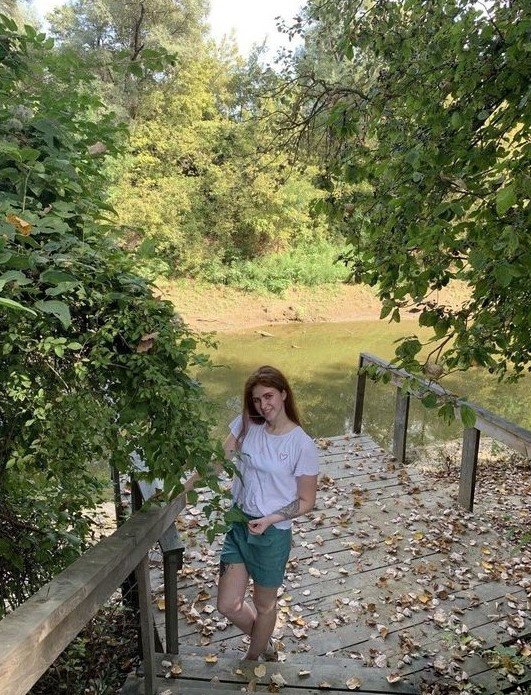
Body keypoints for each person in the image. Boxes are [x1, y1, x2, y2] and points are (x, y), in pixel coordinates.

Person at [216, 365, 320, 661]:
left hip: (272, 535)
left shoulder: (301, 444)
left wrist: (271, 519)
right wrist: (184, 489)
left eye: (269, 396)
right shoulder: (247, 424)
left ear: (284, 394)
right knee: (227, 604)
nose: (263, 405)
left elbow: (306, 501)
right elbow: (218, 461)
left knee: (264, 606)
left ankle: (252, 660)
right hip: (239, 525)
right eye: (257, 399)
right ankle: (264, 642)